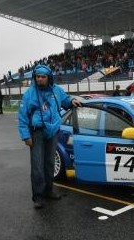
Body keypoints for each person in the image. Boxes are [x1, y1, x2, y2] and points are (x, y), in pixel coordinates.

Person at [18, 65, 82, 209]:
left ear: (49, 78)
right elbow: (22, 117)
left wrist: (71, 100)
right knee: (37, 166)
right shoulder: (29, 94)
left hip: (53, 132)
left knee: (50, 164)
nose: (40, 79)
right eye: (38, 77)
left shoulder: (57, 90)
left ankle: (49, 190)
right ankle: (38, 196)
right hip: (37, 133)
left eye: (43, 77)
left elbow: (65, 99)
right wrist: (25, 136)